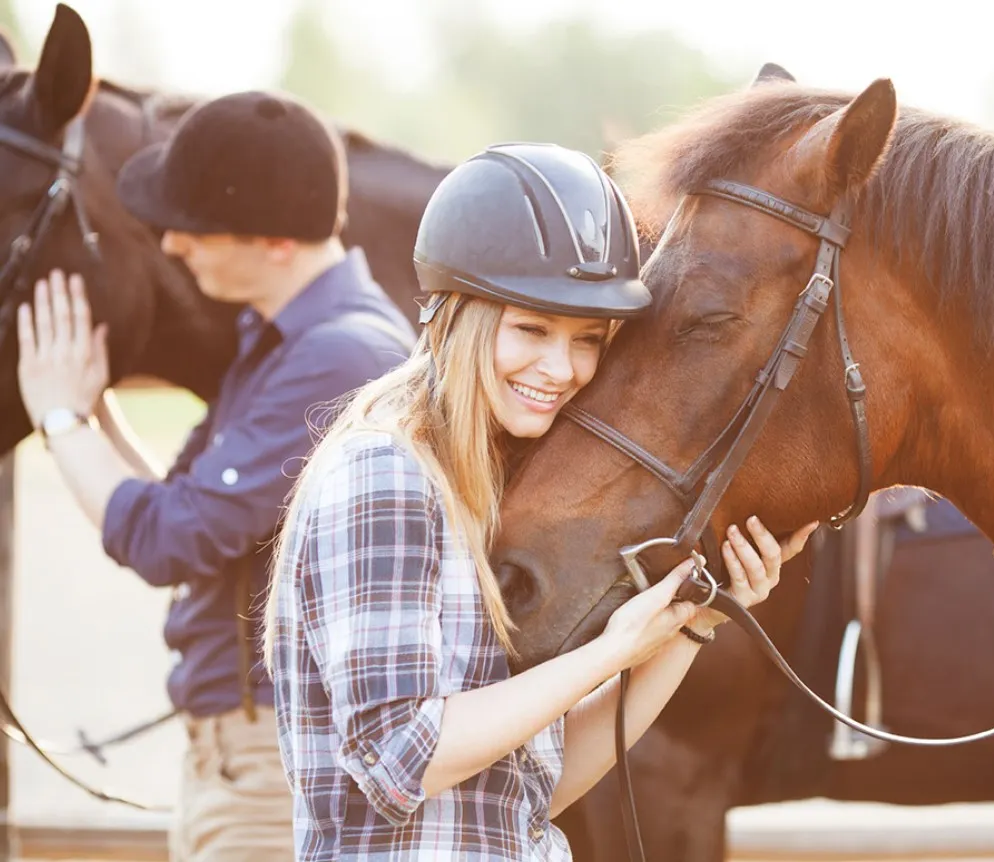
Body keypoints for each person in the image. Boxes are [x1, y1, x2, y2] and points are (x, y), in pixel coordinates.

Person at [261, 142, 818, 861]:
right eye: (531, 329)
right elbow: (398, 758)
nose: (561, 370)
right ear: (451, 314)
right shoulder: (386, 475)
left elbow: (530, 794)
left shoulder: (487, 482)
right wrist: (609, 654)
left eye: (587, 340)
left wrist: (693, 622)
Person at [15, 90, 414, 861]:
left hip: (276, 769)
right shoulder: (288, 344)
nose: (171, 246)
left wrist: (59, 418)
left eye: (193, 226)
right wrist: (92, 412)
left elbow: (168, 541)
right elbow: (182, 510)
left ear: (273, 243)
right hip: (240, 761)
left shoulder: (339, 357)